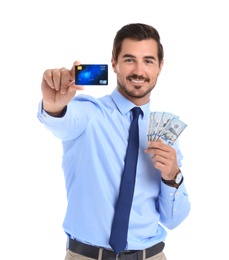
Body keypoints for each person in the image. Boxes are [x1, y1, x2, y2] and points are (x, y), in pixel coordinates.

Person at [37, 23, 191, 260]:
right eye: (129, 60)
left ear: (160, 67)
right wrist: (54, 105)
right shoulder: (88, 113)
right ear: (114, 64)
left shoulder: (164, 135)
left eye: (148, 61)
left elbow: (173, 219)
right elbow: (61, 119)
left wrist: (173, 177)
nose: (139, 71)